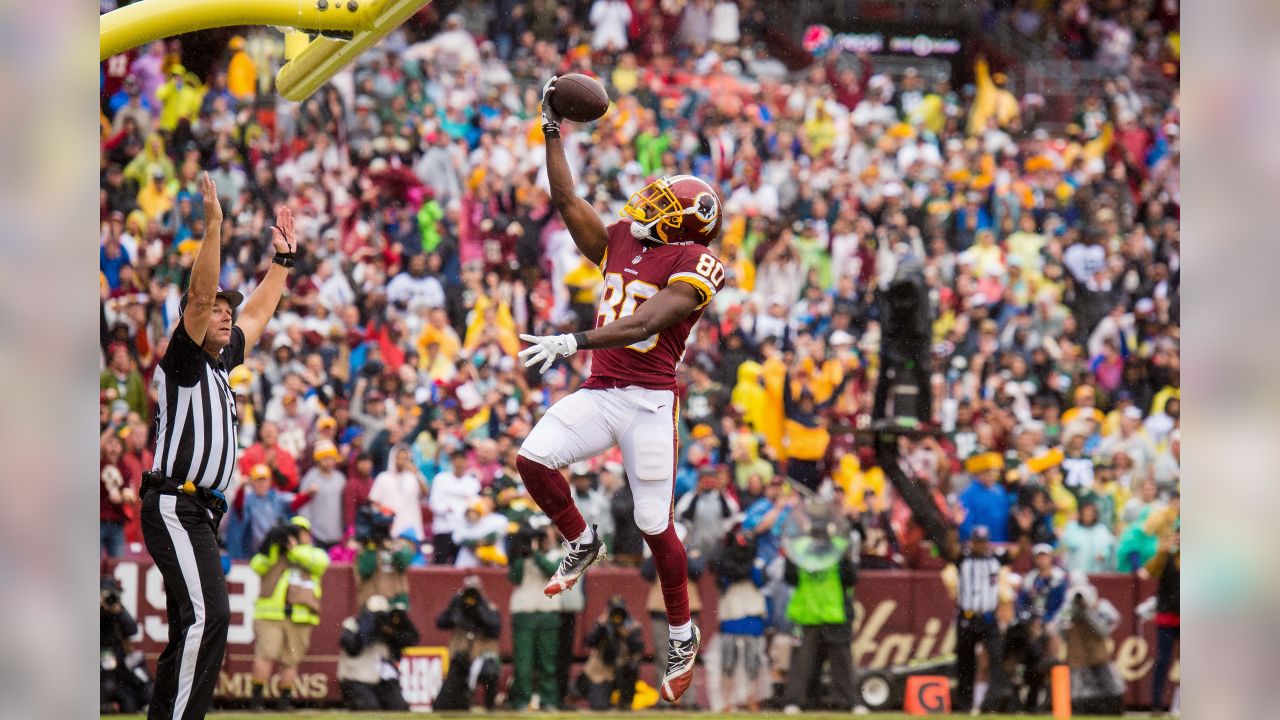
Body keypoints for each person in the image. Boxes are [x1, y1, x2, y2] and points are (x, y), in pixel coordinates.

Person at [513, 76, 729, 703]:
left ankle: (682, 633)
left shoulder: (696, 264)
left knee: (654, 521)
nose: (646, 208)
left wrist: (573, 341)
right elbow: (565, 197)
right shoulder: (625, 237)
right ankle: (582, 540)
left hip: (650, 403)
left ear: (688, 228)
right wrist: (553, 128)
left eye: (663, 206)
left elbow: (643, 323)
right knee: (532, 459)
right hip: (604, 391)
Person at [139, 174, 296, 720]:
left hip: (197, 510)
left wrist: (283, 262)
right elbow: (202, 296)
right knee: (209, 617)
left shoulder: (222, 360)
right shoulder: (182, 361)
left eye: (228, 310)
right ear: (192, 320)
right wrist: (214, 226)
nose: (228, 313)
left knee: (192, 622)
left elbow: (257, 313)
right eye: (217, 311)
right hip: (175, 504)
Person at [780, 520, 866, 715]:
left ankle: (848, 701)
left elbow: (851, 577)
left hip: (824, 612)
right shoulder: (825, 549)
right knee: (807, 661)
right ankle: (797, 701)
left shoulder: (833, 549)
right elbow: (790, 577)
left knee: (834, 661)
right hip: (818, 612)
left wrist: (845, 560)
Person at [247, 516, 330, 711]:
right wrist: (272, 546)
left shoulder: (314, 554)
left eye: (300, 532)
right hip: (270, 616)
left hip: (300, 616)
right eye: (293, 532)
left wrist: (294, 549)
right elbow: (257, 565)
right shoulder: (273, 552)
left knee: (290, 661)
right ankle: (256, 700)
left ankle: (285, 701)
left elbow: (320, 564)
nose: (296, 536)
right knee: (265, 655)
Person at [946, 525, 1014, 713]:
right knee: (965, 662)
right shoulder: (964, 559)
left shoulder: (995, 559)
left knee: (996, 659)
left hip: (988, 617)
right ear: (972, 542)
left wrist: (1024, 531)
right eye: (978, 542)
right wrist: (955, 526)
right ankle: (964, 705)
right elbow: (951, 549)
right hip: (967, 617)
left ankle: (992, 703)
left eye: (983, 542)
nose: (981, 545)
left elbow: (1018, 552)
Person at [506, 521, 564, 711]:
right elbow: (515, 578)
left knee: (547, 662)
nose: (541, 541)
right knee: (523, 662)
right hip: (524, 612)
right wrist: (523, 555)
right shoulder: (522, 556)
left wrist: (536, 554)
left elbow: (551, 571)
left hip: (548, 612)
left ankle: (548, 699)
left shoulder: (559, 555)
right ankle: (521, 700)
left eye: (543, 537)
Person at [337, 595, 417, 711]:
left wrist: (394, 628)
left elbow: (411, 639)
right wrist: (369, 625)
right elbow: (353, 647)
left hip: (382, 681)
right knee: (369, 709)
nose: (379, 618)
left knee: (400, 708)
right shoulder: (353, 624)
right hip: (356, 680)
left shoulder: (387, 628)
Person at [433, 577, 503, 711]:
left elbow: (495, 630)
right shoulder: (459, 605)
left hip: (482, 656)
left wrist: (479, 611)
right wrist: (454, 608)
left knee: (490, 673)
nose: (472, 598)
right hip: (461, 658)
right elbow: (441, 623)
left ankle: (490, 707)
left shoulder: (488, 606)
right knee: (443, 704)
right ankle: (462, 703)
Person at [579, 596, 645, 711]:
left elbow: (639, 649)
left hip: (622, 670)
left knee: (632, 668)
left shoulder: (632, 626)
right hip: (602, 672)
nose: (617, 617)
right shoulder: (602, 625)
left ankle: (625, 703)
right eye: (614, 611)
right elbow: (589, 643)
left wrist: (627, 636)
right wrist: (600, 627)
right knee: (600, 706)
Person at [100, 576, 152, 714]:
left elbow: (132, 629)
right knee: (108, 686)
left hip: (119, 667)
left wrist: (119, 611)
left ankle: (147, 704)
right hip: (101, 669)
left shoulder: (116, 610)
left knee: (131, 701)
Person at [1143, 529, 1180, 713]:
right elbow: (1148, 572)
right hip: (1167, 615)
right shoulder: (1166, 557)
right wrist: (1161, 552)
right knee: (1163, 659)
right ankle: (1156, 703)